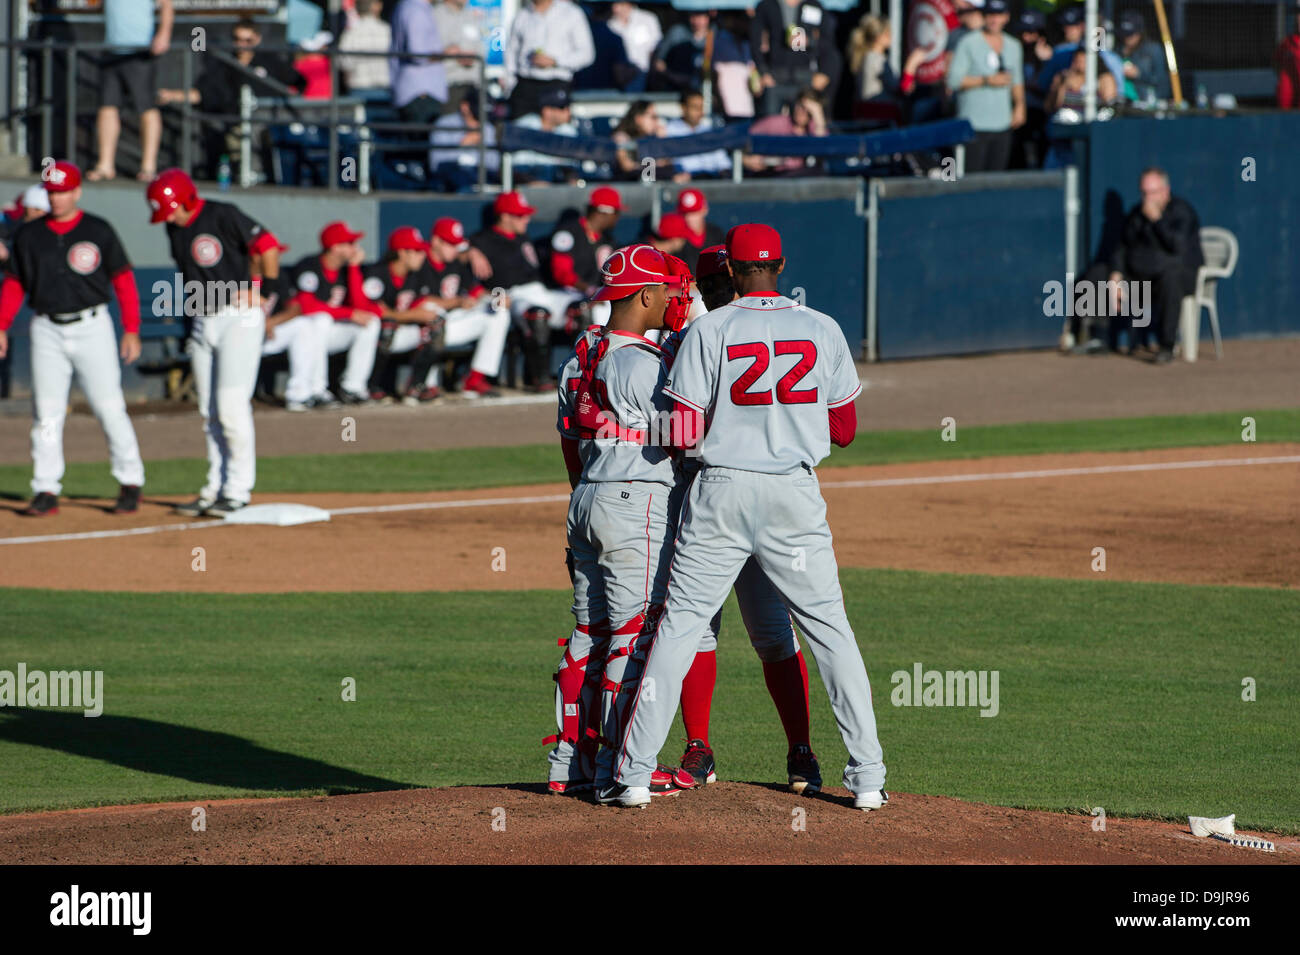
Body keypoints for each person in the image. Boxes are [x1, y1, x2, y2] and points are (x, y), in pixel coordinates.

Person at [600, 222, 887, 810]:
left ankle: (633, 776)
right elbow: (846, 430)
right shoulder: (822, 326)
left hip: (720, 492)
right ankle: (868, 779)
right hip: (793, 495)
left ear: (728, 269)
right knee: (829, 631)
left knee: (680, 628)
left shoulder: (710, 328)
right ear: (781, 265)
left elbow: (682, 433)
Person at [0, 162, 146, 517]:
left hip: (92, 325)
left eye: (64, 191)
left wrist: (131, 328)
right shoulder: (30, 235)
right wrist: (1, 324)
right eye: (52, 192)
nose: (58, 198)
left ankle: (130, 480)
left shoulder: (98, 229)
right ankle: (46, 488)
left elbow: (123, 280)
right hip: (47, 327)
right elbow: (15, 283)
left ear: (77, 191)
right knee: (46, 413)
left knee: (108, 407)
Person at [147, 168, 276, 515]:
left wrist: (264, 289)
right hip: (203, 319)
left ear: (186, 198)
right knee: (210, 413)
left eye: (170, 207)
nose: (168, 216)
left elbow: (266, 245)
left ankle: (238, 489)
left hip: (237, 316)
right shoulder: (174, 229)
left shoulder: (223, 214)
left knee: (232, 409)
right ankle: (215, 487)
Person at [466, 191, 586, 389]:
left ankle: (587, 375)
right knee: (537, 315)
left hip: (541, 291)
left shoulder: (521, 236)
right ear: (504, 216)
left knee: (582, 307)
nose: (527, 219)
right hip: (513, 296)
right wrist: (470, 251)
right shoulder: (483, 240)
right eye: (520, 215)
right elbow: (453, 249)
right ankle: (540, 378)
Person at [156, 19, 301, 180]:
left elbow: (299, 83)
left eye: (248, 40)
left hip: (270, 126)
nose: (241, 44)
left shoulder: (270, 62)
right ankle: (246, 178)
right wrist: (170, 95)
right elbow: (202, 93)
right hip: (237, 126)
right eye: (237, 39)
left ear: (257, 39)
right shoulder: (224, 65)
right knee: (237, 140)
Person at [1107, 168, 1203, 364]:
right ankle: (1098, 337)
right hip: (1143, 279)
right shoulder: (1136, 215)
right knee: (1099, 274)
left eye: (1152, 192)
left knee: (1171, 277)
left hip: (1178, 279)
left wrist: (1157, 220)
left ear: (1165, 190)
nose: (1147, 198)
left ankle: (1166, 346)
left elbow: (1178, 247)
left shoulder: (1182, 212)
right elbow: (1122, 246)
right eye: (1144, 193)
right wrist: (1115, 275)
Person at [281, 222, 382, 405]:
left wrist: (353, 269)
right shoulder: (310, 266)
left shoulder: (349, 269)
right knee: (321, 320)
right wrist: (348, 314)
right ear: (335, 247)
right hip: (305, 335)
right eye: (350, 243)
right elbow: (306, 307)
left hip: (331, 334)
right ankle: (316, 389)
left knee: (371, 323)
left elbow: (361, 307)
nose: (356, 248)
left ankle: (353, 388)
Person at [423, 216, 510, 397]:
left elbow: (475, 290)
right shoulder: (421, 259)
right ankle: (424, 384)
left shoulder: (455, 261)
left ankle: (474, 380)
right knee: (433, 315)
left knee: (498, 313)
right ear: (436, 241)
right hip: (424, 327)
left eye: (457, 244)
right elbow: (417, 302)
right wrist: (457, 302)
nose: (455, 248)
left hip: (452, 322)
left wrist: (496, 297)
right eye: (450, 243)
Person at [90, 0, 173, 182]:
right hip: (111, 49)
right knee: (106, 107)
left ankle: (148, 167)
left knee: (146, 108)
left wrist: (164, 34)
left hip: (140, 50)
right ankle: (105, 165)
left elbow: (166, 4)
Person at [945, 0, 1024, 173]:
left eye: (999, 15)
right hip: (973, 124)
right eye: (990, 15)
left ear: (1006, 17)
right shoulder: (968, 42)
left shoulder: (1013, 46)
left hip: (1002, 123)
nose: (994, 20)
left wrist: (1019, 105)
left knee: (996, 179)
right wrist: (986, 80)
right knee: (972, 180)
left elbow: (1017, 80)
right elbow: (953, 81)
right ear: (983, 17)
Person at [505, 0, 595, 119]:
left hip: (556, 85)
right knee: (522, 131)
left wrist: (556, 61)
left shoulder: (571, 13)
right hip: (525, 86)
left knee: (556, 134)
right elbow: (511, 52)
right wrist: (510, 83)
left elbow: (587, 54)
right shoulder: (522, 15)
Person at [750, 0, 834, 117]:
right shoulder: (767, 5)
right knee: (771, 125)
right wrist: (763, 72)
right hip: (775, 78)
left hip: (805, 78)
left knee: (805, 127)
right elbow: (755, 42)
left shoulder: (814, 6)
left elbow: (828, 43)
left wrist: (825, 72)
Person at [546, 186, 620, 301]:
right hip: (563, 294)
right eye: (616, 212)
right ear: (603, 212)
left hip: (594, 294)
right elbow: (561, 273)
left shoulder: (608, 239)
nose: (618, 217)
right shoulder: (568, 232)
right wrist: (588, 289)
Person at [847, 13, 927, 119]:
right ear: (878, 37)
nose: (891, 36)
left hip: (869, 116)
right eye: (888, 33)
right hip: (880, 117)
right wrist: (911, 65)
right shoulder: (876, 59)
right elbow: (901, 89)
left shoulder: (866, 57)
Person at [1037, 4, 1125, 97]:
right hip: (1065, 108)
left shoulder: (1111, 59)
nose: (1066, 29)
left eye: (1073, 25)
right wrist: (1063, 82)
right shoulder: (1060, 53)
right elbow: (1044, 87)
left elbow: (1117, 97)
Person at [391, 0, 449, 123]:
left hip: (417, 91)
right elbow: (418, 54)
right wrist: (448, 53)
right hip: (421, 93)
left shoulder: (409, 6)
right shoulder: (416, 11)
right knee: (421, 139)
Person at [745, 88, 828, 175]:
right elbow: (743, 139)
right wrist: (746, 160)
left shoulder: (815, 129)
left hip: (804, 178)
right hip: (775, 176)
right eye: (800, 106)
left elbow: (823, 148)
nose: (802, 111)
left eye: (808, 110)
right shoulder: (776, 123)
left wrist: (818, 116)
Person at [429, 90, 499, 190]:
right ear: (464, 107)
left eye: (482, 118)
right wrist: (462, 146)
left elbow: (493, 164)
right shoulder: (444, 124)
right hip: (452, 183)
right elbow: (436, 164)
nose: (478, 123)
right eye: (475, 116)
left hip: (481, 181)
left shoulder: (487, 127)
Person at [432, 0, 489, 114]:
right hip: (448, 86)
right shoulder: (435, 15)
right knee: (450, 127)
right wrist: (453, 55)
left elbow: (481, 50)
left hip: (473, 86)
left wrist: (472, 57)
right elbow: (426, 53)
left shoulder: (470, 15)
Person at [512, 86, 581, 181]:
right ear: (546, 111)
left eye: (568, 107)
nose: (567, 112)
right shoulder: (525, 126)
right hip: (527, 186)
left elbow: (570, 169)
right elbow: (515, 169)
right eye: (561, 108)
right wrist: (533, 183)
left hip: (557, 184)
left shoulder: (568, 130)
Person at [662, 90, 731, 180]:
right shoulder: (669, 130)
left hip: (712, 179)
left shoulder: (709, 131)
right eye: (695, 107)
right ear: (683, 108)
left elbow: (723, 163)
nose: (700, 112)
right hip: (685, 182)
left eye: (701, 107)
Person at [338, 0, 392, 96]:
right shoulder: (387, 30)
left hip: (358, 87)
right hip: (384, 87)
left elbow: (344, 63)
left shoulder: (351, 33)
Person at [651, 10, 713, 94]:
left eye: (701, 16)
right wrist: (672, 76)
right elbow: (658, 62)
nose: (696, 21)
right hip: (674, 87)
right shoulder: (677, 32)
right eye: (693, 15)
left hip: (703, 88)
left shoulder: (716, 35)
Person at [1116, 12, 1171, 103]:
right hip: (1121, 101)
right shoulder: (1117, 50)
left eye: (1130, 35)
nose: (1126, 38)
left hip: (1144, 101)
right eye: (1124, 34)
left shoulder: (1153, 50)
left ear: (1139, 33)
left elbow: (1162, 81)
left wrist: (1138, 74)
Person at [608, 1, 661, 84]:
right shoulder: (611, 24)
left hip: (643, 72)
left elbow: (656, 45)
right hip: (619, 73)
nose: (614, 8)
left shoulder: (648, 19)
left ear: (627, 4)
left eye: (618, 4)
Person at [674, 188, 725, 273]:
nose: (688, 218)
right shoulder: (674, 239)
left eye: (694, 212)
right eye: (684, 213)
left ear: (704, 210)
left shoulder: (716, 234)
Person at [1278, 4, 1300, 109]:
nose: (1298, 18)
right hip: (1288, 109)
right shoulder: (1287, 44)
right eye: (1297, 13)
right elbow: (1275, 62)